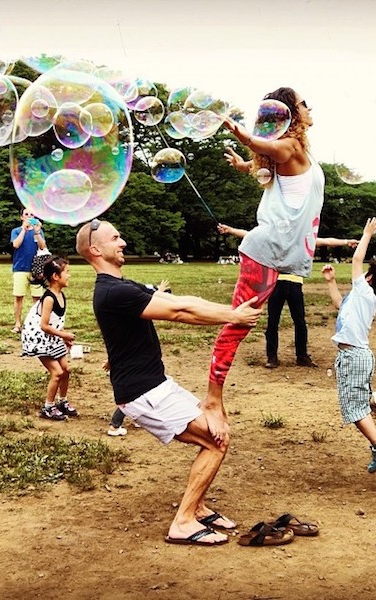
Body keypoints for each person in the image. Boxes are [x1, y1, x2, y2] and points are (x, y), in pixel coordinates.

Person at [76, 219, 262, 545]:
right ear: (96, 250)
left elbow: (184, 300)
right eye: (115, 238)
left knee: (217, 434)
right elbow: (179, 312)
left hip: (156, 385)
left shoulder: (122, 286)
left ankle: (198, 507)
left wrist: (232, 309)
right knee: (216, 441)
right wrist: (233, 316)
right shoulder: (114, 292)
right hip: (144, 393)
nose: (123, 242)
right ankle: (183, 521)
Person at [206, 86, 325, 443]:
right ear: (291, 113)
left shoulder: (295, 152)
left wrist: (244, 165)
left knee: (240, 320)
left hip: (278, 251)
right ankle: (212, 398)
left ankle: (212, 391)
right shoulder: (290, 146)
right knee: (238, 322)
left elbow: (267, 166)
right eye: (304, 103)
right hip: (265, 250)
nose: (310, 107)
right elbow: (267, 148)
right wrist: (242, 135)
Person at [322, 218, 376, 473]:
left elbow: (357, 260)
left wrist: (367, 234)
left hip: (354, 357)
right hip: (356, 356)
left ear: (369, 279)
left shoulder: (366, 294)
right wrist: (331, 282)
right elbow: (339, 304)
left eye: (365, 273)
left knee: (355, 410)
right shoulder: (360, 298)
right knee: (356, 406)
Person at [218, 224, 357, 368]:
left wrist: (347, 242)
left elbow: (325, 241)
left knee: (300, 322)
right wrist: (230, 230)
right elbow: (248, 234)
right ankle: (272, 357)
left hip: (295, 284)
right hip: (275, 284)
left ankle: (301, 357)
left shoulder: (300, 240)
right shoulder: (274, 239)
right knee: (273, 322)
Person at [106, 279, 171, 436]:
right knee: (133, 395)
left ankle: (137, 418)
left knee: (140, 392)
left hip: (137, 361)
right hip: (134, 364)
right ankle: (114, 425)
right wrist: (160, 292)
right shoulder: (131, 312)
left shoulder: (130, 306)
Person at [21, 257, 77, 420]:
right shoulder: (49, 298)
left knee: (66, 370)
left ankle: (62, 402)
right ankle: (48, 407)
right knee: (57, 372)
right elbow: (44, 325)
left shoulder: (61, 295)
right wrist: (63, 335)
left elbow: (55, 322)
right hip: (38, 339)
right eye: (67, 272)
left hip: (52, 337)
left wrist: (63, 336)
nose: (69, 275)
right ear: (55, 276)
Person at [10, 208, 47, 333]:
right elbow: (16, 244)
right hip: (20, 268)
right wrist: (24, 230)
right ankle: (17, 323)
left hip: (36, 268)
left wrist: (37, 232)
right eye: (26, 214)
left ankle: (36, 323)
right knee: (18, 297)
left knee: (37, 298)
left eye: (32, 215)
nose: (29, 216)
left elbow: (42, 246)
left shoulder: (38, 231)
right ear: (22, 217)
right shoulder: (16, 231)